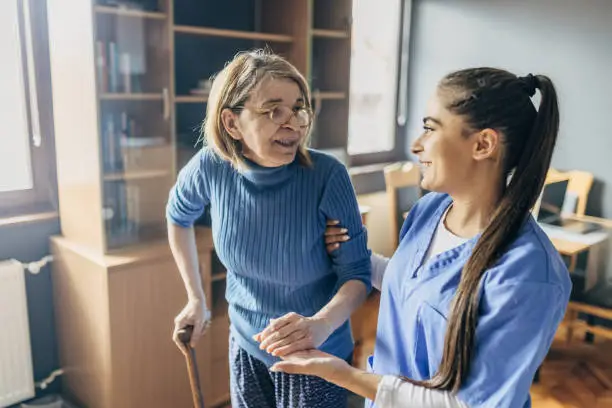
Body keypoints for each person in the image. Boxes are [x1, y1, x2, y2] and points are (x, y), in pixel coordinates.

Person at [269, 68, 572, 408]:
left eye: (430, 128)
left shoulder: (529, 274)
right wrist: (347, 252)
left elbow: (469, 404)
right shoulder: (430, 210)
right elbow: (415, 285)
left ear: (483, 144)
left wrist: (343, 374)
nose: (416, 145)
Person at [165, 49, 371, 408]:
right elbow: (178, 217)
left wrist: (320, 324)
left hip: (315, 353)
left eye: (299, 108)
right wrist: (196, 298)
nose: (293, 122)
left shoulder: (328, 176)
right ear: (232, 123)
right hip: (246, 342)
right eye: (274, 110)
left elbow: (357, 275)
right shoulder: (210, 167)